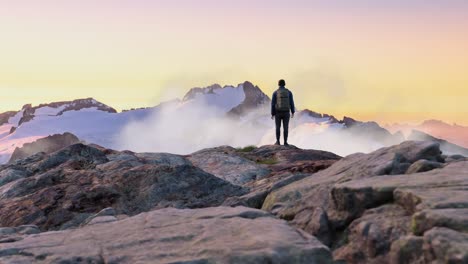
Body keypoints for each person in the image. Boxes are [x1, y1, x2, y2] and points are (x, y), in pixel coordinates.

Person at [271, 79, 295, 146]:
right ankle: (285, 142)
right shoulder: (289, 92)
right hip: (286, 112)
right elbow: (291, 102)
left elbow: (273, 104)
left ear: (278, 84)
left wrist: (272, 113)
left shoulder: (275, 92)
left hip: (278, 112)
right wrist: (293, 111)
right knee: (286, 127)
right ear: (284, 84)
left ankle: (278, 142)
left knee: (278, 127)